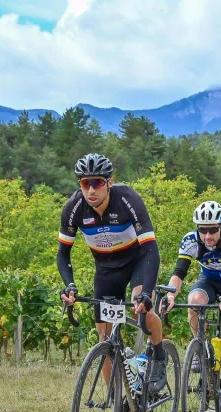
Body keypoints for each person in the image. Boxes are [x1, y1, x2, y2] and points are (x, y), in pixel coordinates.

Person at [57, 153, 166, 394]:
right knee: (104, 339)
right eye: (85, 183)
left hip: (137, 261)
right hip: (106, 270)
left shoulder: (127, 199)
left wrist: (146, 293)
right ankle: (118, 403)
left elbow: (151, 250)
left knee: (144, 313)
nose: (91, 190)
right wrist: (70, 286)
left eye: (97, 182)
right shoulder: (74, 208)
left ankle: (158, 355)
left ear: (109, 182)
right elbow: (63, 255)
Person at [163, 201, 221, 412]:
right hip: (209, 283)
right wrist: (171, 294)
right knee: (194, 299)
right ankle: (200, 346)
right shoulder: (191, 241)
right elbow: (179, 273)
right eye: (203, 230)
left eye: (213, 229)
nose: (208, 235)